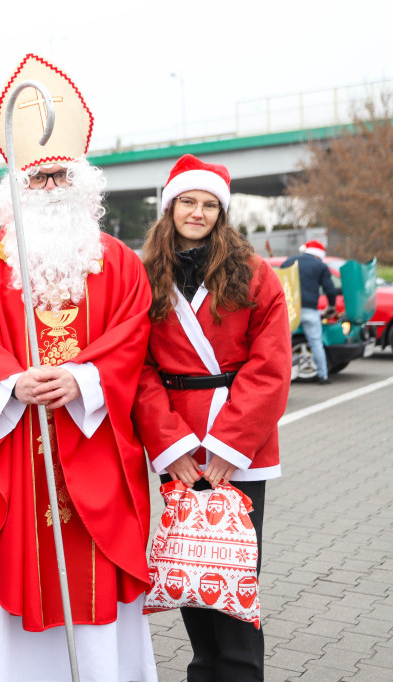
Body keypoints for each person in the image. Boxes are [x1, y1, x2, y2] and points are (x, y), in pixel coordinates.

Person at [0, 54, 158, 681]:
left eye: (60, 176)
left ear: (83, 184)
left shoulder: (119, 262)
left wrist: (83, 379)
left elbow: (133, 334)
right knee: (24, 574)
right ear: (15, 187)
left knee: (99, 589)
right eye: (37, 178)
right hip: (20, 451)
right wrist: (12, 382)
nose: (49, 188)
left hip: (97, 448)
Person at [133, 154, 291, 681]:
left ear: (221, 213)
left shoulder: (255, 274)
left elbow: (271, 366)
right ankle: (203, 670)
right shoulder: (145, 276)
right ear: (170, 207)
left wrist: (229, 446)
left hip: (239, 447)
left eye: (208, 205)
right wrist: (171, 445)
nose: (197, 212)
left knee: (234, 572)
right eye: (187, 201)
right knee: (190, 567)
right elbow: (139, 368)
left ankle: (241, 672)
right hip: (177, 445)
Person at [281, 239, 337, 384]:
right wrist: (331, 307)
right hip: (310, 310)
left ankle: (284, 378)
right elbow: (330, 290)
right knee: (316, 343)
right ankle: (323, 376)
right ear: (319, 255)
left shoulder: (288, 262)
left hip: (290, 310)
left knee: (285, 345)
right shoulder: (321, 266)